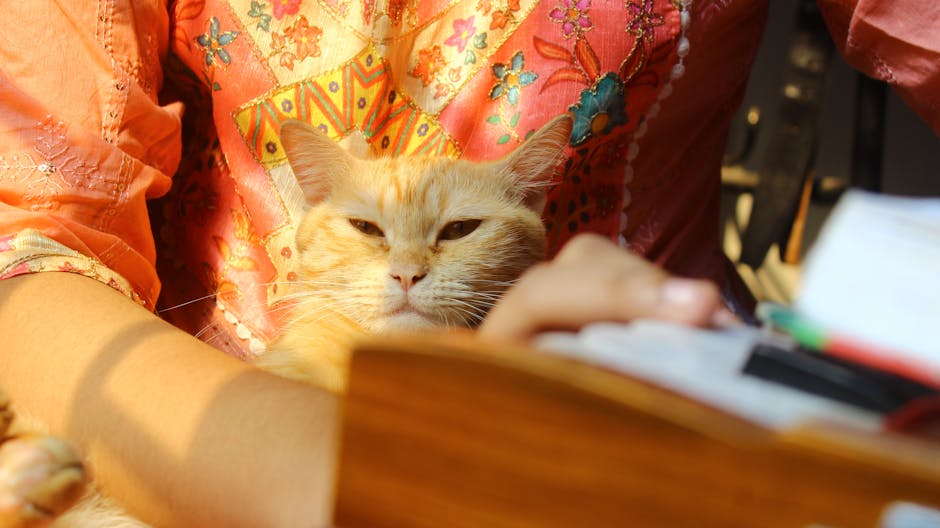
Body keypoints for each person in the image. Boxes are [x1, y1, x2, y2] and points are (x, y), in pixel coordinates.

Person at [0, 0, 936, 526]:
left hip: (633, 435)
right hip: (191, 443)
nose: (407, 266)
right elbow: (31, 247)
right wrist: (379, 476)